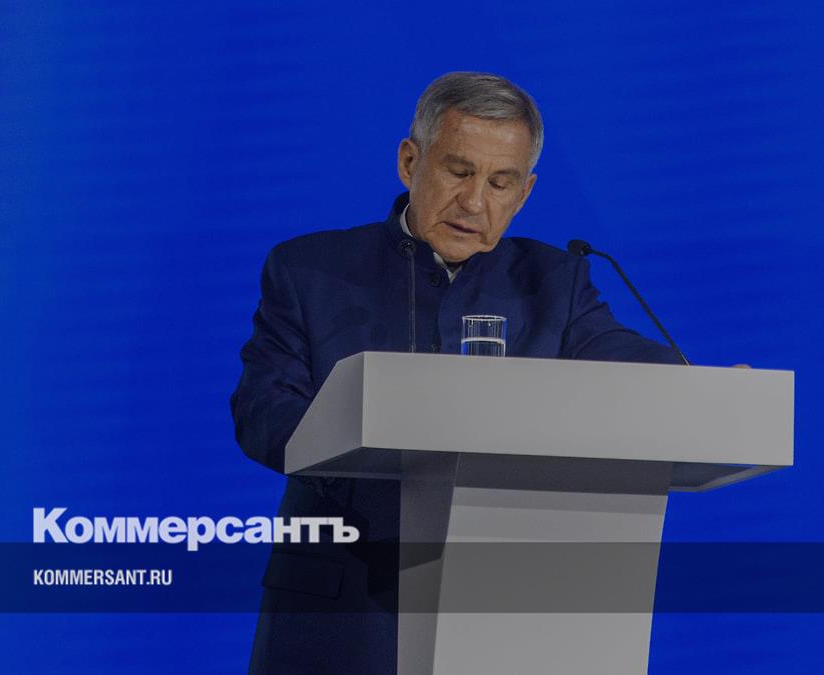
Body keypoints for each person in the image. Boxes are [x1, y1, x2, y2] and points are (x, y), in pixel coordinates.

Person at [230, 71, 682, 674]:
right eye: (459, 171)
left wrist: (703, 388)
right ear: (409, 161)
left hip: (505, 611)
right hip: (342, 608)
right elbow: (263, 411)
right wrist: (366, 456)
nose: (474, 202)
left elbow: (624, 359)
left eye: (500, 182)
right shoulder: (309, 269)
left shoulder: (555, 281)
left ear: (524, 194)